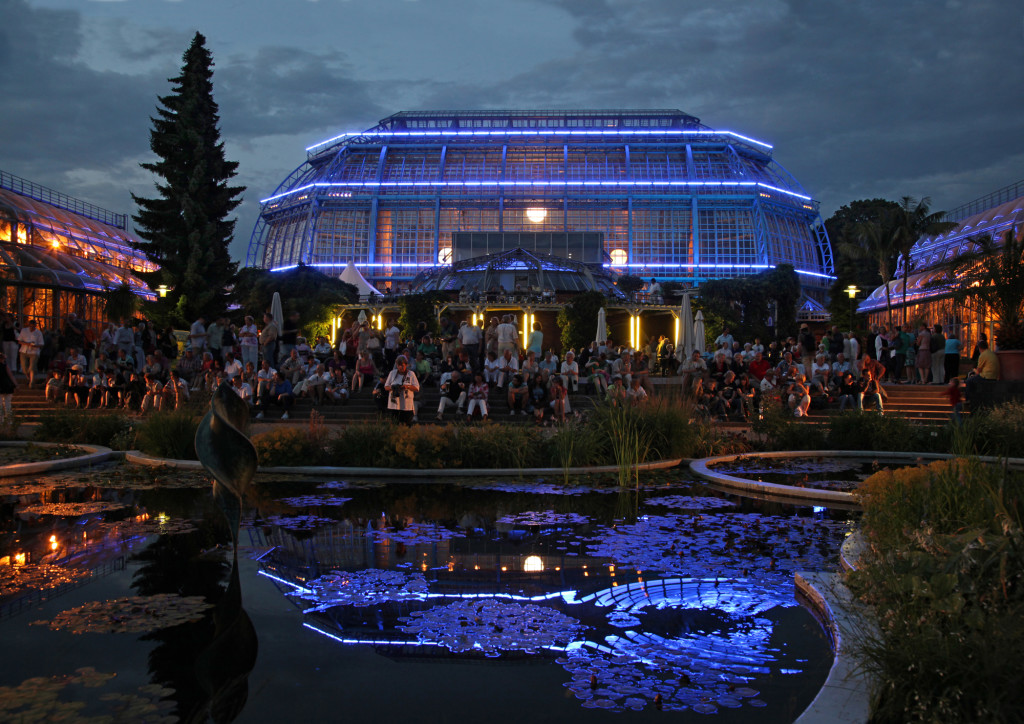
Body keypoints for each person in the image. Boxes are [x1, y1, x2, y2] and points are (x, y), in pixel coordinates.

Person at [384, 355, 419, 425]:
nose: (400, 367)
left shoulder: (411, 374)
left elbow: (417, 388)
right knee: (394, 425)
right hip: (394, 405)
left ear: (406, 365)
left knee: (407, 425)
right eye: (398, 365)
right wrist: (393, 387)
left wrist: (407, 386)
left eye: (402, 365)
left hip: (407, 405)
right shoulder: (392, 373)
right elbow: (386, 387)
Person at [16, 319, 43, 387]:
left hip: (34, 351)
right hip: (24, 350)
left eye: (33, 327)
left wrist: (35, 345)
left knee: (32, 367)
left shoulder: (38, 333)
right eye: (31, 326)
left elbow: (41, 344)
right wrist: (27, 344)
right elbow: (19, 341)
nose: (32, 328)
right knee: (24, 368)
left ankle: (32, 382)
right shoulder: (24, 331)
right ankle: (29, 378)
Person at [0, 352, 16, 421]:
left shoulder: (5, 366)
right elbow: (11, 376)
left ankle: (1, 420)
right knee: (8, 404)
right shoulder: (5, 366)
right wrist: (16, 384)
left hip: (2, 386)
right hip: (7, 386)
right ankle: (9, 420)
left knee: (1, 404)